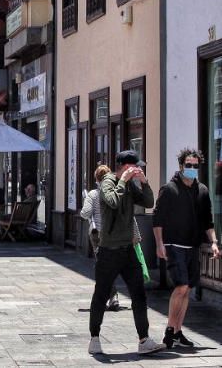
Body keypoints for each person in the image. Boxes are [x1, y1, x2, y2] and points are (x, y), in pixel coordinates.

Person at [88, 150, 165, 355]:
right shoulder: (108, 181)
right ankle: (94, 337)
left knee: (139, 295)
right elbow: (112, 201)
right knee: (101, 295)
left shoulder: (131, 185)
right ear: (124, 166)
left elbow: (149, 203)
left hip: (128, 250)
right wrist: (122, 180)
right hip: (109, 250)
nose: (138, 169)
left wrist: (144, 182)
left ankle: (144, 340)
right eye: (135, 166)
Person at [154, 148, 220, 348]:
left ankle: (177, 330)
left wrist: (214, 242)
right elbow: (158, 219)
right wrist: (159, 244)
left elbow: (208, 220)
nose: (192, 169)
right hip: (173, 244)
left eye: (195, 166)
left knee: (187, 288)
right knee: (181, 286)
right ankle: (169, 329)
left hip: (193, 246)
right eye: (188, 165)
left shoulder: (202, 190)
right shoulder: (169, 189)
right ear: (181, 166)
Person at [81, 165, 121, 311]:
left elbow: (85, 213)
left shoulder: (93, 194)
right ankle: (110, 297)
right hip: (114, 234)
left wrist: (85, 212)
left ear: (96, 178)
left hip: (97, 234)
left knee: (103, 267)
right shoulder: (115, 192)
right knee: (109, 266)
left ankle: (109, 297)